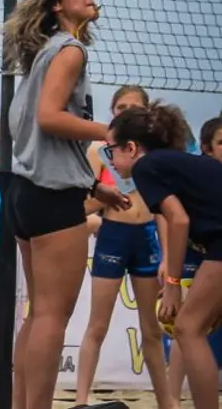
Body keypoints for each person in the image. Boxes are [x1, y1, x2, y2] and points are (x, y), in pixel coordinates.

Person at [4, 0, 130, 409]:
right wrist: (109, 131)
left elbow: (29, 131)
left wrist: (97, 189)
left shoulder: (42, 55)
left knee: (38, 315)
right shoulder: (69, 50)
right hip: (51, 198)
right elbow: (49, 118)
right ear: (57, 4)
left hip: (24, 194)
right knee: (52, 317)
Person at [108, 103, 222, 409]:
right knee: (193, 327)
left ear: (130, 148)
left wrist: (172, 284)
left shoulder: (147, 167)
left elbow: (179, 220)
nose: (111, 162)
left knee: (188, 328)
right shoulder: (175, 164)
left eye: (112, 152)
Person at [76, 85, 174, 408]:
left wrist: (167, 255)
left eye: (133, 106)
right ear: (112, 111)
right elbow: (84, 203)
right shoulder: (99, 151)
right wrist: (103, 200)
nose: (125, 111)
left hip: (145, 238)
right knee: (97, 325)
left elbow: (163, 209)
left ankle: (166, 400)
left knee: (152, 329)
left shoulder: (155, 156)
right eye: (120, 107)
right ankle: (81, 399)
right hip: (113, 236)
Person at [164, 115, 222, 406]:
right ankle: (172, 397)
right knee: (186, 326)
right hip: (195, 255)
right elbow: (172, 218)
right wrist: (170, 272)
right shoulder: (194, 176)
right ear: (207, 149)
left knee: (190, 327)